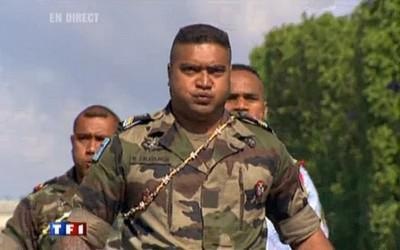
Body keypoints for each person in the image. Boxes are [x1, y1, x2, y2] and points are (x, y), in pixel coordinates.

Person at [54, 24, 333, 249]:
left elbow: (305, 232)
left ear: (227, 76)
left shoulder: (264, 146)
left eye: (215, 71)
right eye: (190, 70)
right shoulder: (128, 145)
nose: (203, 82)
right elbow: (81, 224)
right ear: (169, 74)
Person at [225, 63, 329, 249]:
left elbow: (312, 240)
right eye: (231, 98)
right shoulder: (191, 166)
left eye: (250, 98)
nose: (241, 106)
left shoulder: (293, 174)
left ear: (264, 110)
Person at [0, 105, 120, 249]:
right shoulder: (39, 204)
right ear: (72, 141)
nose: (91, 149)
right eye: (83, 138)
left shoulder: (140, 200)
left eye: (101, 140)